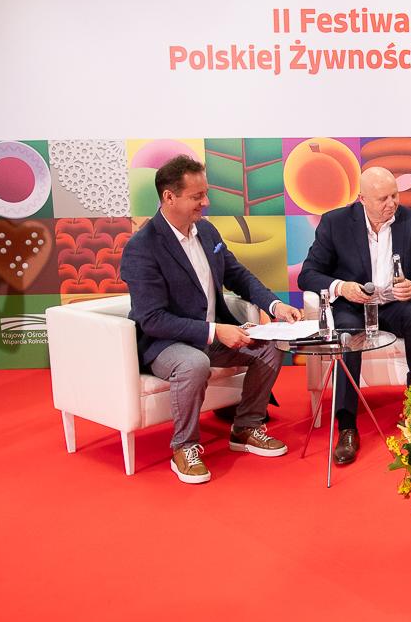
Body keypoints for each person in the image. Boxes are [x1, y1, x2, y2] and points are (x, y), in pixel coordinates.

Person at [121, 154, 302, 484]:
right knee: (194, 363)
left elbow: (238, 275)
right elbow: (152, 319)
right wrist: (216, 331)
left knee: (271, 345)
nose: (206, 202)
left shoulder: (206, 230)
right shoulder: (141, 247)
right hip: (165, 343)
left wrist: (275, 305)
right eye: (197, 196)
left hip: (211, 334)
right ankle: (184, 447)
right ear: (169, 197)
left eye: (205, 194)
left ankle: (246, 427)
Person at [299, 166, 411, 466]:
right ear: (362, 199)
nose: (392, 204)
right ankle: (347, 427)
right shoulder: (335, 222)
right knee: (347, 333)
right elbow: (308, 275)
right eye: (383, 199)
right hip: (353, 306)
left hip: (395, 305)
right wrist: (341, 287)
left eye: (395, 195)